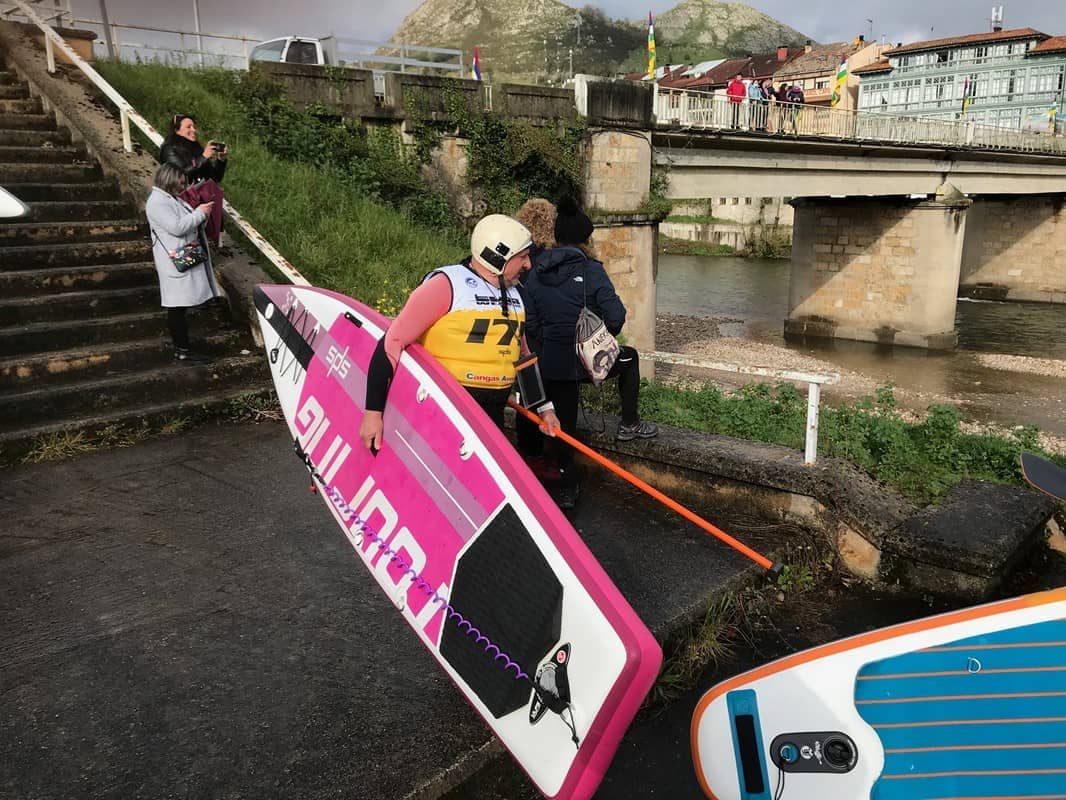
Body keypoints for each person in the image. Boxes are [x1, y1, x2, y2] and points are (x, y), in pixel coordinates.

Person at [359, 214, 560, 454]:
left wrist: (545, 409)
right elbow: (392, 342)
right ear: (497, 256)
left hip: (491, 415)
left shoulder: (515, 293)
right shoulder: (446, 284)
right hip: (442, 413)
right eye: (522, 257)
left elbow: (523, 356)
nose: (528, 265)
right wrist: (373, 414)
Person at [522, 197, 658, 509]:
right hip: (587, 363)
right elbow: (616, 316)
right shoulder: (591, 270)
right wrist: (595, 341)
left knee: (563, 425)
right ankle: (629, 424)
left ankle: (565, 486)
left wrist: (549, 344)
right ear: (586, 239)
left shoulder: (537, 270)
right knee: (630, 359)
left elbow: (531, 322)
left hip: (551, 365)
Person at [145, 163, 218, 364]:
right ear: (169, 179)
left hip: (182, 254)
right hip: (174, 259)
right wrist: (200, 213)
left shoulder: (170, 199)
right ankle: (182, 350)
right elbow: (177, 227)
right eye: (180, 182)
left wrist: (201, 215)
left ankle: (184, 348)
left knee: (179, 306)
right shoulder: (157, 202)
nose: (183, 187)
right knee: (176, 307)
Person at [514, 198, 563, 482]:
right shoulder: (552, 259)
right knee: (547, 396)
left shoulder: (519, 257)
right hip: (543, 337)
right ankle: (546, 458)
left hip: (525, 333)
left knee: (527, 397)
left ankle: (529, 456)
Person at [160, 114, 227, 245]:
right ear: (176, 130)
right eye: (188, 127)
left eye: (194, 127)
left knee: (204, 245)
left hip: (201, 205)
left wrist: (221, 160)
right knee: (188, 244)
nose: (193, 130)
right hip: (182, 205)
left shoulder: (197, 149)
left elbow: (215, 178)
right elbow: (180, 175)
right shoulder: (169, 149)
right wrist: (203, 157)